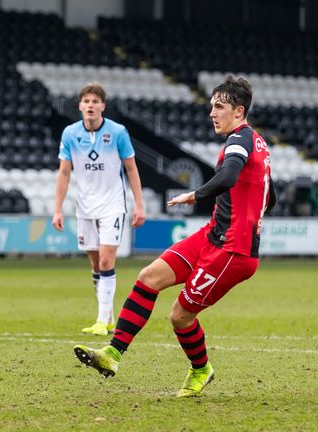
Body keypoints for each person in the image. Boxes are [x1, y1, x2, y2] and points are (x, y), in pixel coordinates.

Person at [73, 76, 276, 398]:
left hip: (232, 251)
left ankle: (201, 370)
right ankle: (111, 356)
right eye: (211, 106)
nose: (212, 113)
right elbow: (270, 196)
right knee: (148, 277)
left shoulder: (238, 142)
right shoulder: (258, 144)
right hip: (213, 235)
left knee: (180, 316)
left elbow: (229, 176)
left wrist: (196, 195)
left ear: (239, 111)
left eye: (219, 107)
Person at [52, 83, 145, 336]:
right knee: (95, 264)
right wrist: (57, 209)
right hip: (84, 207)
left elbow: (131, 168)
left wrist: (139, 204)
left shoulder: (117, 132)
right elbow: (64, 172)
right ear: (80, 106)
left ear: (103, 105)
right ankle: (109, 315)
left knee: (106, 260)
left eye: (95, 101)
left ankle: (102, 320)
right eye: (86, 101)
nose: (90, 105)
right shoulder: (70, 134)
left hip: (112, 205)